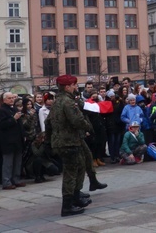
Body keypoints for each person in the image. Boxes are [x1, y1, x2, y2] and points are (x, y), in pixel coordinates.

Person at [47, 74, 92, 217]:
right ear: (67, 87)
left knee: (79, 167)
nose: (75, 87)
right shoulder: (67, 102)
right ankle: (67, 206)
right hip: (68, 142)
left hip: (63, 141)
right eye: (73, 84)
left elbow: (48, 123)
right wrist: (88, 127)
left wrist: (50, 139)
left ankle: (75, 198)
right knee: (71, 173)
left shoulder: (57, 102)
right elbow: (77, 120)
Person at [0, 92, 26, 189]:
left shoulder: (14, 108)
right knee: (8, 163)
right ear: (4, 99)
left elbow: (20, 124)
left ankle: (16, 179)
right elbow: (1, 125)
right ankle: (6, 181)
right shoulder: (0, 110)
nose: (12, 100)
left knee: (17, 161)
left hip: (17, 140)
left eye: (12, 98)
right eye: (9, 98)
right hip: (8, 140)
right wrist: (13, 118)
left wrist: (23, 135)